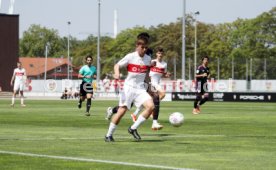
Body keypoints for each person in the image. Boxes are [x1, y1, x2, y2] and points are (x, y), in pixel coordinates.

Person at [105, 33, 154, 142]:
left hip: (140, 89)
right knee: (122, 111)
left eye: (146, 47)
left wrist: (149, 88)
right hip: (128, 88)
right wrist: (117, 73)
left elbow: (146, 74)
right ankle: (108, 135)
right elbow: (116, 65)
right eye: (142, 47)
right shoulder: (130, 56)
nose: (144, 49)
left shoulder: (148, 59)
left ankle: (133, 128)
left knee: (151, 106)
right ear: (137, 46)